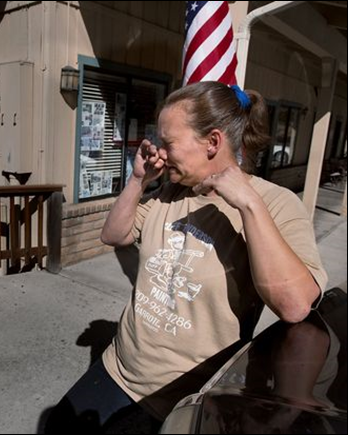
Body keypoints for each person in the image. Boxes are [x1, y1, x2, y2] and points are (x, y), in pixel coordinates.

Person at [44, 81, 328, 433]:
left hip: (179, 401)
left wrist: (248, 203)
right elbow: (114, 235)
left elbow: (295, 304)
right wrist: (137, 180)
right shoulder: (171, 192)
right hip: (117, 368)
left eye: (169, 142)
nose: (160, 152)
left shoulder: (275, 203)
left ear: (212, 143)